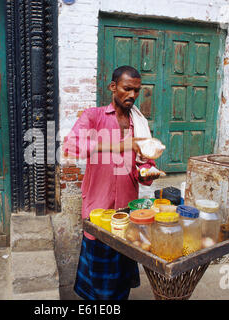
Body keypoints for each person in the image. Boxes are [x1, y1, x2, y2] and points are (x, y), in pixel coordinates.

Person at [63, 65, 161, 300]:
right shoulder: (93, 117)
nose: (132, 95)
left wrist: (147, 173)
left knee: (121, 278)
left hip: (127, 210)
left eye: (137, 91)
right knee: (98, 279)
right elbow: (70, 146)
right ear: (113, 87)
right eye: (127, 89)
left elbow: (143, 162)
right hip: (99, 208)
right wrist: (116, 146)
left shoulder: (138, 123)